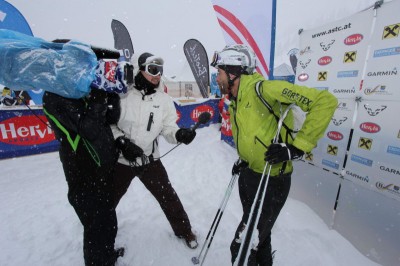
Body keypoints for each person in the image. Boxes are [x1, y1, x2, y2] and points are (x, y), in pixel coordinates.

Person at [211, 44, 338, 265]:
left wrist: (297, 148)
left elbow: (325, 101)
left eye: (219, 72)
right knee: (261, 235)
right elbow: (256, 135)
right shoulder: (236, 99)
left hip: (272, 180)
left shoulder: (265, 89)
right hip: (251, 175)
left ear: (234, 72)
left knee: (242, 244)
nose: (217, 78)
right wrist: (245, 161)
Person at [112, 52, 199, 249]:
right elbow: (109, 126)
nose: (157, 75)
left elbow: (168, 128)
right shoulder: (121, 95)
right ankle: (102, 239)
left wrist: (179, 135)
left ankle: (185, 231)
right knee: (107, 201)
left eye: (159, 70)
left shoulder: (164, 100)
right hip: (121, 161)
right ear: (139, 69)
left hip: (148, 160)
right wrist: (122, 143)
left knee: (168, 196)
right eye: (152, 70)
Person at [42, 87, 123, 265]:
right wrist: (97, 100)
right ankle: (97, 261)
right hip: (82, 172)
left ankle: (107, 255)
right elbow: (89, 129)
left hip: (102, 167)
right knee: (96, 225)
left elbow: (110, 119)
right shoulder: (54, 96)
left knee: (108, 220)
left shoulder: (81, 92)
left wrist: (112, 97)